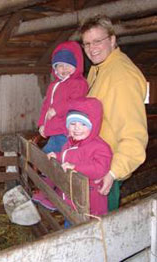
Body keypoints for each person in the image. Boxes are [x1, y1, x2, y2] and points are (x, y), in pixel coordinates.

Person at [79, 15, 148, 211]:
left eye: (98, 41)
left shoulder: (121, 77)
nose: (92, 48)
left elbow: (133, 133)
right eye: (87, 44)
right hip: (93, 161)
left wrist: (113, 172)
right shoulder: (99, 68)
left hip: (105, 171)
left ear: (112, 40)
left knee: (102, 230)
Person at [32, 40, 88, 205]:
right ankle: (47, 194)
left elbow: (75, 102)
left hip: (66, 132)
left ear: (76, 65)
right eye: (59, 66)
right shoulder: (53, 86)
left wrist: (58, 109)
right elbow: (45, 106)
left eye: (67, 65)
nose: (63, 70)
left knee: (58, 164)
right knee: (47, 162)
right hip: (54, 131)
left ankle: (55, 197)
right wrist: (42, 124)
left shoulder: (79, 84)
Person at [47, 97, 113, 217]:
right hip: (72, 199)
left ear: (93, 125)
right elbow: (69, 156)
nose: (77, 128)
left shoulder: (100, 147)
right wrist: (57, 156)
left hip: (90, 204)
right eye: (72, 123)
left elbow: (100, 169)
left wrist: (76, 168)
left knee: (89, 230)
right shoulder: (70, 143)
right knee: (72, 222)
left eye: (83, 124)